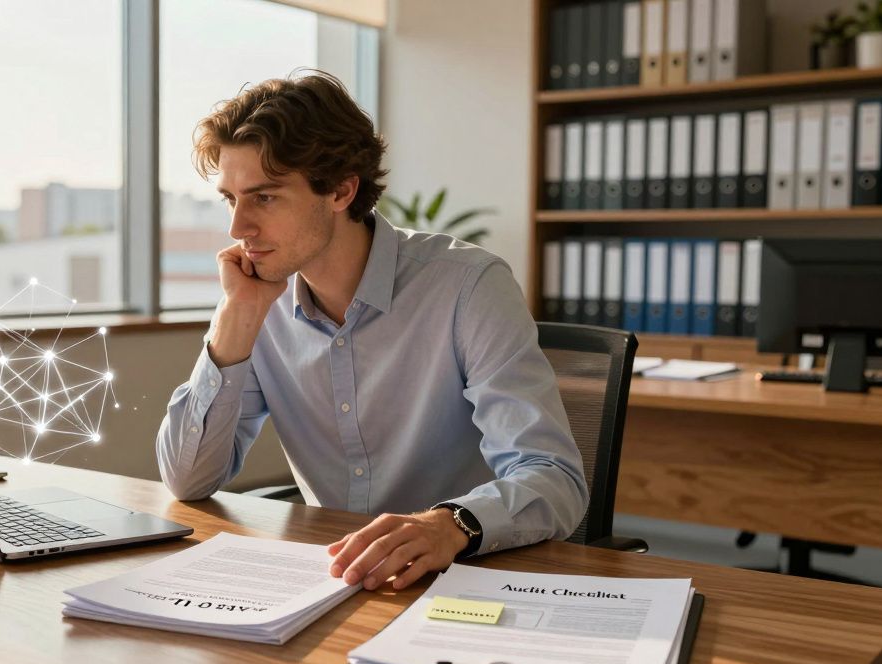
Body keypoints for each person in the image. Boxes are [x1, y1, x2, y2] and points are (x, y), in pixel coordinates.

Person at [155, 70, 586, 591]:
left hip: (466, 578)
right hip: (335, 582)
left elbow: (552, 476)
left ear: (341, 189)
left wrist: (450, 524)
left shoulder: (468, 286)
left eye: (264, 198)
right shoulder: (254, 300)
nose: (238, 228)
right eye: (230, 198)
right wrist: (234, 323)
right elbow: (187, 480)